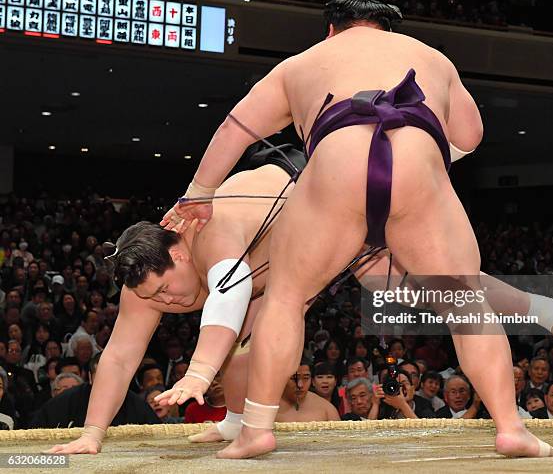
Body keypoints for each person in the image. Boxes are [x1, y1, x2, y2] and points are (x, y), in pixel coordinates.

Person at [165, 0, 553, 458]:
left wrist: (199, 193)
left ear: (330, 31)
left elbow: (234, 129)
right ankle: (510, 427)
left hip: (334, 171)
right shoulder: (432, 57)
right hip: (417, 166)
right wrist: (426, 164)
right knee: (465, 302)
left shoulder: (301, 63)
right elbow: (471, 133)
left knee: (285, 297)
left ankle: (256, 429)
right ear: (388, 29)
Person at [45, 158, 306, 454]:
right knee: (240, 335)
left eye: (165, 289)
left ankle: (254, 427)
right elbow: (119, 357)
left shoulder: (210, 233)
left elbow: (229, 294)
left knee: (274, 319)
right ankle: (236, 420)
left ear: (177, 255)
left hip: (309, 188)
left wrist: (199, 372)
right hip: (272, 265)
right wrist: (92, 433)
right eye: (156, 297)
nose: (165, 302)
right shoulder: (143, 288)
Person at [32, 354, 160, 429]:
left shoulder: (136, 404)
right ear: (90, 377)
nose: (107, 382)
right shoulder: (65, 402)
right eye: (101, 376)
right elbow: (36, 432)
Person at [276, 360, 340, 422]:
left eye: (306, 378)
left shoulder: (327, 409)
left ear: (311, 380)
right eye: (293, 378)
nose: (300, 385)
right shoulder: (269, 406)